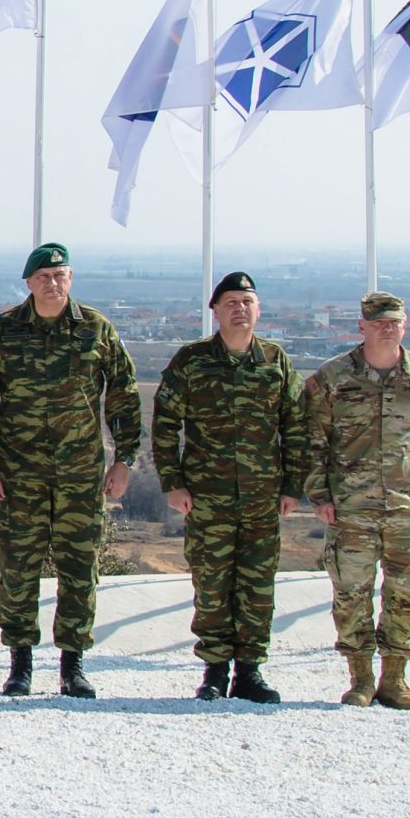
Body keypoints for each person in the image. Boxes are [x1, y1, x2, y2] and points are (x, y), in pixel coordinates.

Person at [0, 243, 142, 698]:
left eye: (60, 275)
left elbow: (123, 396)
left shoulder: (96, 329)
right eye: (43, 276)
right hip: (19, 476)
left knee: (80, 569)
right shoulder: (4, 332)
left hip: (81, 474)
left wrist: (124, 460)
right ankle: (20, 663)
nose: (53, 283)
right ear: (29, 283)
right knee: (18, 570)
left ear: (71, 278)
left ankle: (72, 664)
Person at [302, 290, 410, 711]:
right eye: (380, 322)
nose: (388, 329)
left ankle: (395, 679)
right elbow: (312, 440)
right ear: (363, 326)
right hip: (351, 507)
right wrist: (319, 493)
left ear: (406, 325)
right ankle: (360, 679)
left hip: (407, 507)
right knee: (351, 594)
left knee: (406, 595)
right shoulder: (333, 378)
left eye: (396, 322)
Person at [152, 271, 303, 703]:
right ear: (215, 310)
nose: (240, 308)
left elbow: (296, 426)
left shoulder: (275, 361)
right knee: (213, 584)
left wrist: (293, 485)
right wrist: (173, 482)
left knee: (257, 586)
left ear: (259, 310)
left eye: (247, 301)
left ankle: (250, 672)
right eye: (231, 302)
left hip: (261, 497)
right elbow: (165, 423)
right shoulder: (192, 361)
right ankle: (215, 670)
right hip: (207, 497)